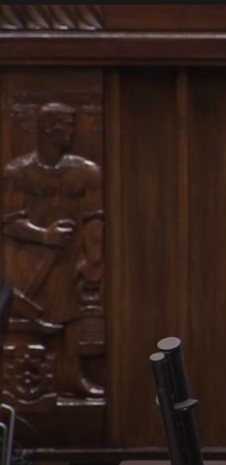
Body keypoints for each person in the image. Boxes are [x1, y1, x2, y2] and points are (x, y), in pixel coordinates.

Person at [2, 101, 105, 400]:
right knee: (27, 322)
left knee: (70, 317)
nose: (70, 132)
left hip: (68, 258)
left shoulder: (86, 172)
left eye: (72, 126)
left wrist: (94, 258)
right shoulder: (18, 172)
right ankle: (19, 384)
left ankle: (71, 377)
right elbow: (9, 221)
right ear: (47, 129)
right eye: (64, 126)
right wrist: (44, 235)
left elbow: (94, 218)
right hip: (27, 260)